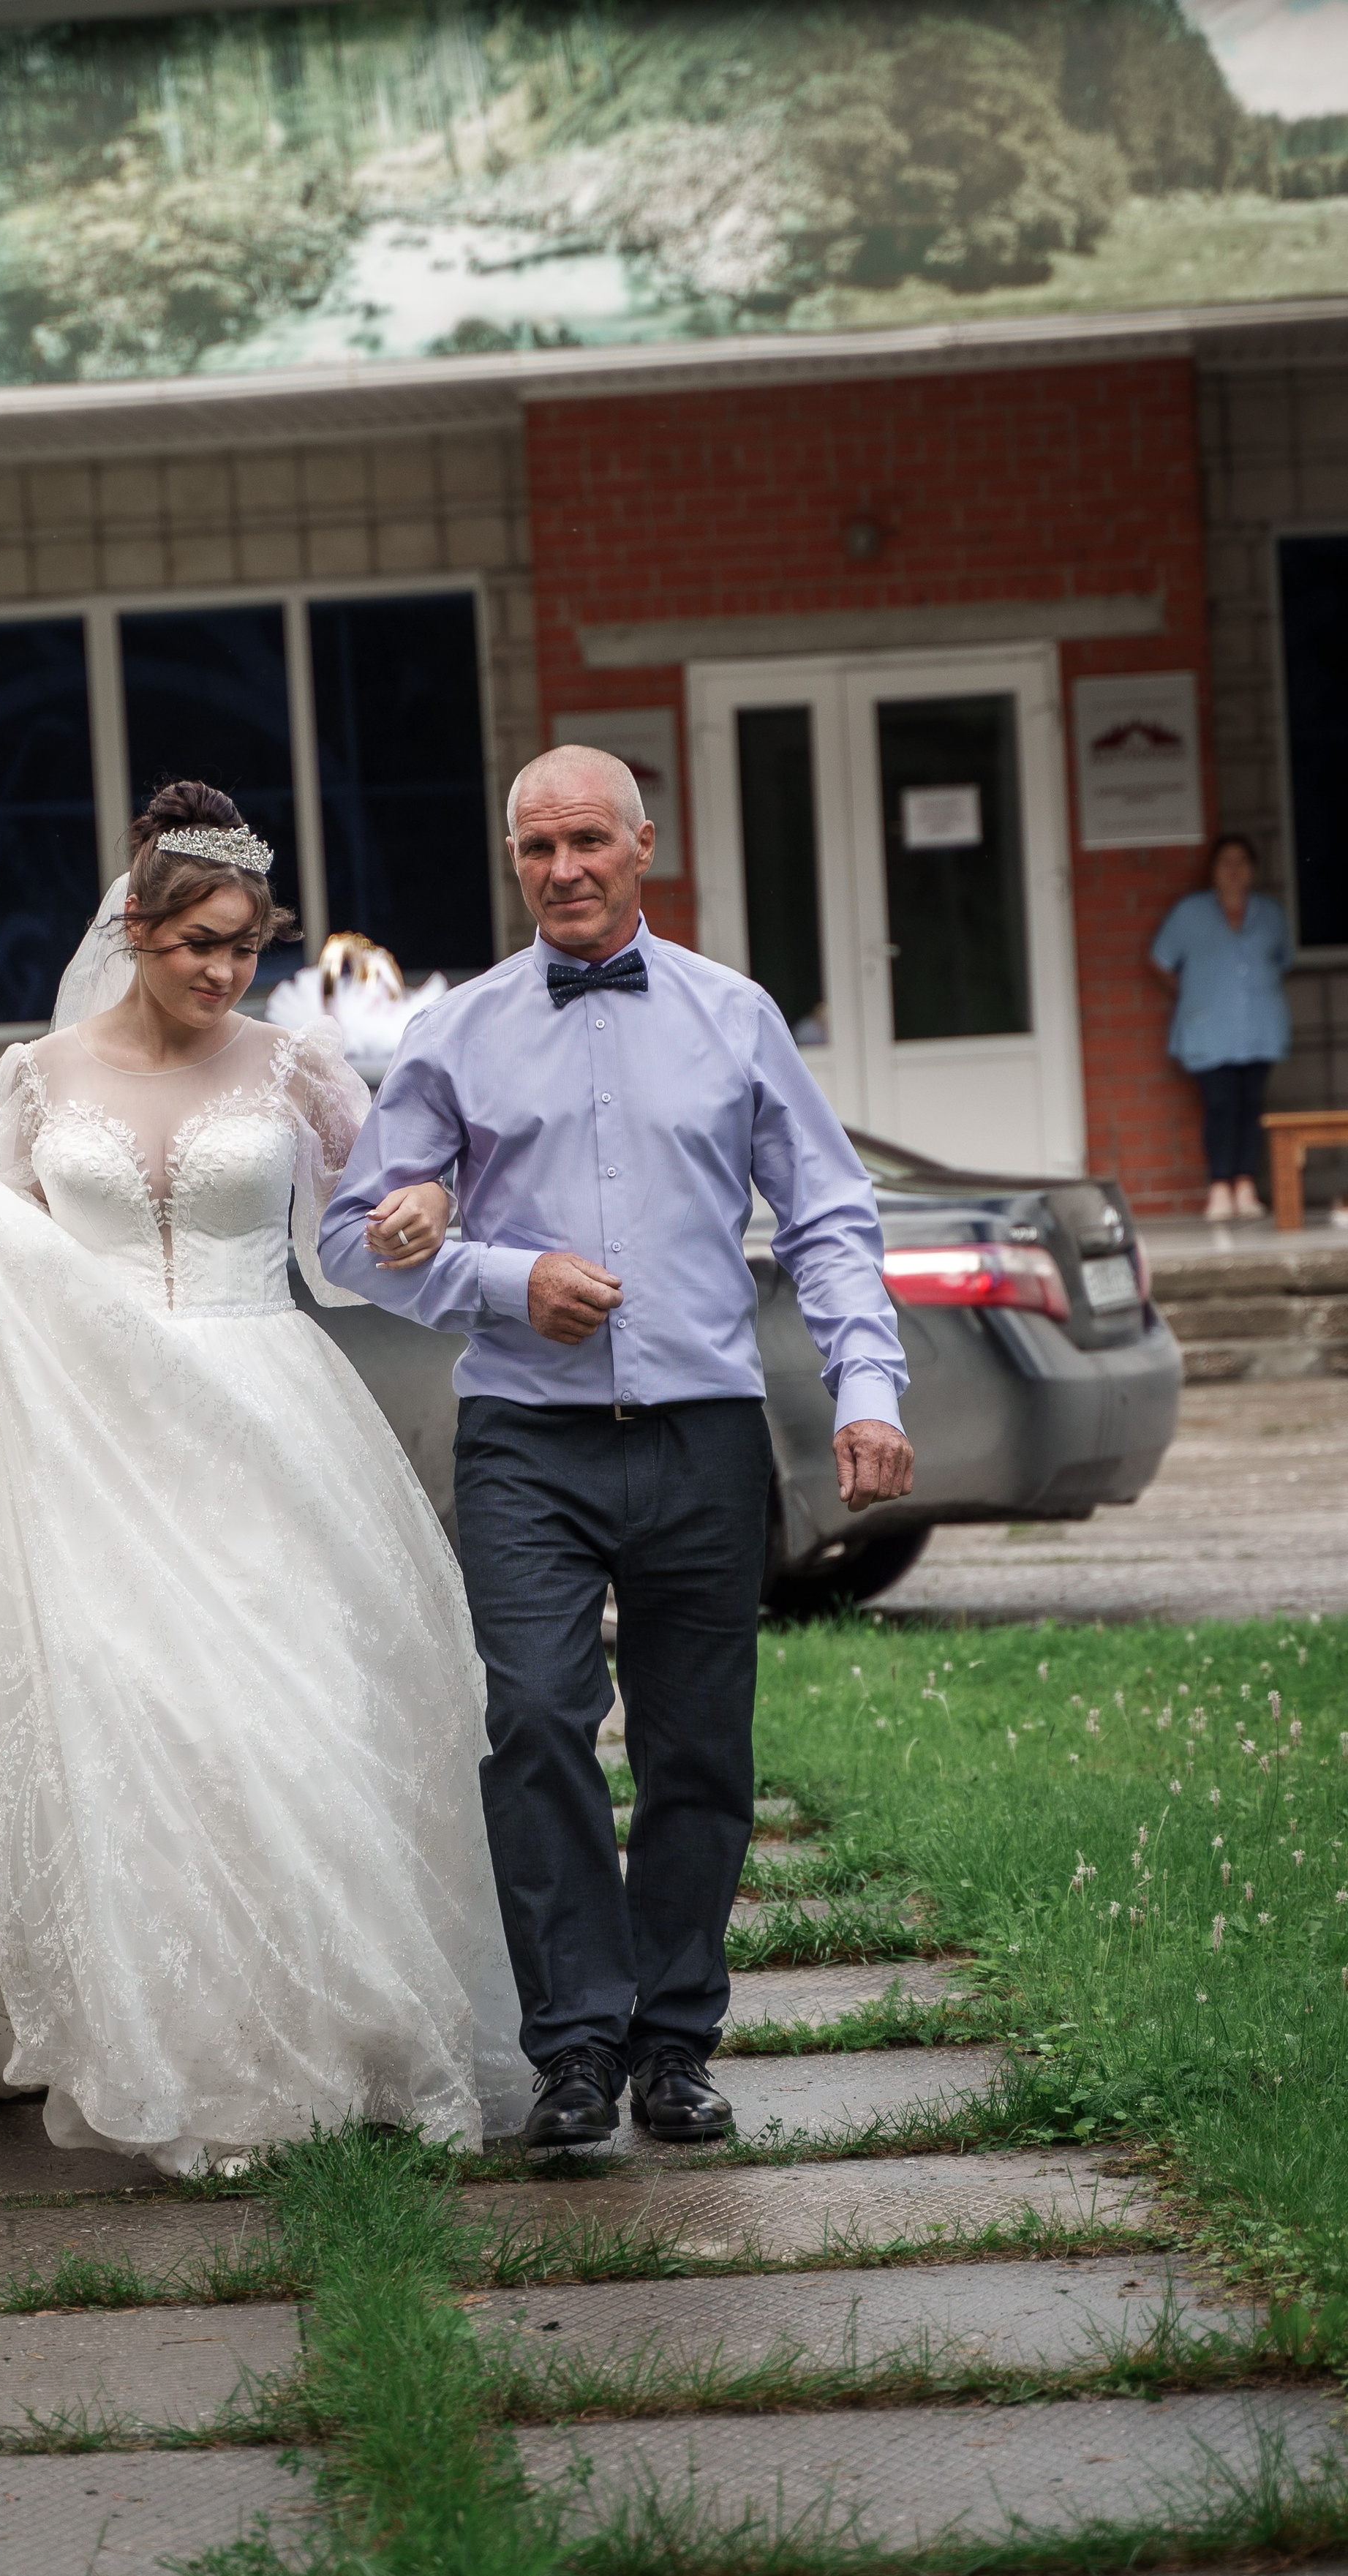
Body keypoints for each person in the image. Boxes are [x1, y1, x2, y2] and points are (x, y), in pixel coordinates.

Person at [0, 781, 524, 2174]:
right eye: (199, 944)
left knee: (284, 1717)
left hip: (266, 1423)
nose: (224, 972)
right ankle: (142, 2022)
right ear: (138, 927)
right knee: (126, 1721)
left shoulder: (292, 1069)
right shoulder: (40, 1074)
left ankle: (331, 2021)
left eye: (245, 946)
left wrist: (427, 1210)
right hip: (96, 1431)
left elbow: (376, 1215)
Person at [320, 743, 913, 2157]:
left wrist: (869, 1389)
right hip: (527, 1437)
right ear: (515, 861)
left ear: (644, 846)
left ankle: (676, 2046)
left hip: (704, 1434)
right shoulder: (457, 1033)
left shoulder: (736, 1016)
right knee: (531, 1723)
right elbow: (358, 1238)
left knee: (701, 1749)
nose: (565, 869)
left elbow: (828, 1216)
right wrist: (498, 1276)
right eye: (538, 848)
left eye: (589, 840)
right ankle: (575, 2046)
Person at [1150, 833, 1293, 1223]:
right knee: (1221, 1104)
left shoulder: (1270, 913)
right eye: (1225, 862)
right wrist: (1196, 993)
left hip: (1259, 1027)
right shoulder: (1189, 914)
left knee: (1251, 1105)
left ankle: (1245, 1186)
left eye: (1242, 862)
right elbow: (1161, 961)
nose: (1234, 870)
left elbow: (1282, 959)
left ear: (1252, 871)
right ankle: (1219, 1187)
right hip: (1208, 1030)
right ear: (1213, 872)